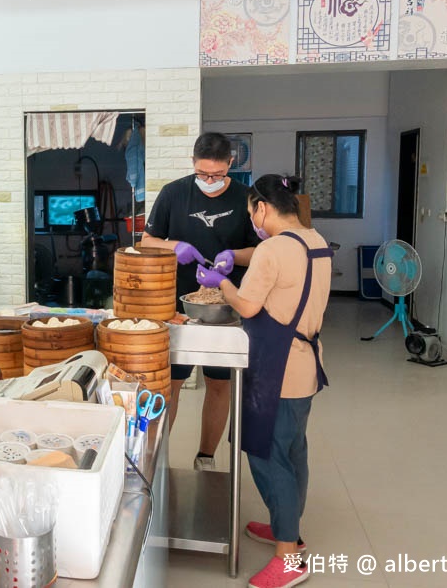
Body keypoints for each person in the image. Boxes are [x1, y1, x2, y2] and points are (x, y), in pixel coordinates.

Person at [195, 174, 332, 588]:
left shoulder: (272, 249)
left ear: (262, 209)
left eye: (252, 210)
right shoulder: (316, 240)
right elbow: (285, 283)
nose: (253, 218)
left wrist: (222, 284)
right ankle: (285, 525)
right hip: (305, 361)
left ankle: (288, 556)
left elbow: (249, 305)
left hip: (276, 368)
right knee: (293, 449)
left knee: (268, 454)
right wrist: (233, 261)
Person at [140, 132, 259, 470]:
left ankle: (206, 456)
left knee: (219, 383)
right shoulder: (174, 193)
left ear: (231, 165)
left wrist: (234, 256)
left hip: (226, 308)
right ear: (193, 163)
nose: (209, 181)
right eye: (203, 174)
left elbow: (262, 253)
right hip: (178, 307)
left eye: (218, 175)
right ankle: (157, 457)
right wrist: (174, 246)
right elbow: (147, 241)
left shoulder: (245, 198)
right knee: (172, 382)